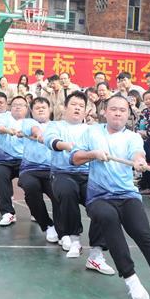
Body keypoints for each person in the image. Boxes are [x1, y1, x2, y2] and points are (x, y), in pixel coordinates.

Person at [71, 95, 150, 299]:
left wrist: (140, 161)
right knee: (108, 218)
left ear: (128, 114)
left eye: (122, 110)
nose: (117, 113)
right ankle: (131, 279)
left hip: (127, 196)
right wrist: (92, 154)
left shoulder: (133, 137)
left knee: (144, 235)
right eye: (113, 109)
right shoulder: (92, 132)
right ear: (105, 111)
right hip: (99, 197)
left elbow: (138, 153)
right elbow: (75, 158)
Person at [44, 91, 113, 271]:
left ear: (85, 111)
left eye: (81, 106)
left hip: (88, 175)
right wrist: (66, 145)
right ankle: (74, 238)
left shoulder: (93, 129)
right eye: (73, 104)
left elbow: (103, 147)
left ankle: (96, 254)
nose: (77, 108)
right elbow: (51, 141)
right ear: (65, 108)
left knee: (102, 204)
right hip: (62, 172)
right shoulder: (55, 125)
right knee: (67, 191)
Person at [18, 97, 59, 242]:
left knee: (59, 195)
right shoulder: (28, 122)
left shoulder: (57, 126)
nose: (41, 109)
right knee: (30, 187)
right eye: (37, 108)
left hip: (52, 169)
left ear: (50, 110)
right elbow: (35, 130)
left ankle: (63, 230)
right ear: (32, 111)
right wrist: (40, 135)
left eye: (44, 107)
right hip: (30, 169)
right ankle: (47, 225)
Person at [0, 97, 29, 226]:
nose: (17, 107)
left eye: (21, 105)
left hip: (25, 161)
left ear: (26, 108)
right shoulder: (4, 118)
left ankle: (35, 210)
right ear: (10, 107)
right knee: (0, 175)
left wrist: (26, 134)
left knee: (31, 182)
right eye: (14, 105)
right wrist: (9, 131)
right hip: (5, 160)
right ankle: (8, 213)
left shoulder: (30, 122)